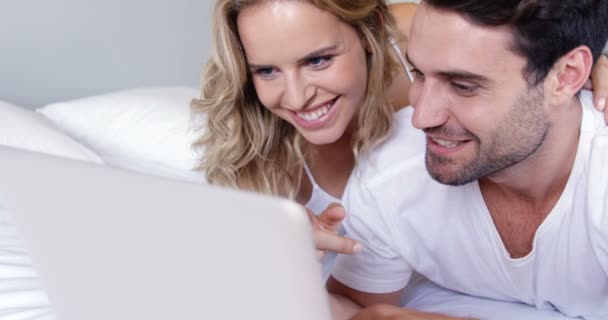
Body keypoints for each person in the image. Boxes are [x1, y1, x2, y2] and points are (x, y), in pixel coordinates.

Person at [193, 0, 608, 263]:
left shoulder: (413, 31)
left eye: (318, 61)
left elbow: (526, 39)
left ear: (370, 36)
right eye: (266, 70)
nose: (298, 97)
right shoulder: (256, 153)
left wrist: (587, 68)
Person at [327, 1, 608, 319]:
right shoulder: (389, 170)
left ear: (567, 77)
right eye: (418, 73)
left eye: (463, 86)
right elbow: (355, 306)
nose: (421, 117)